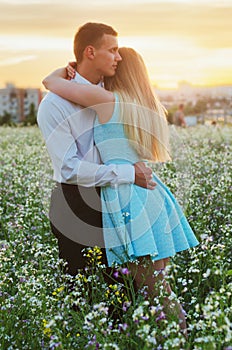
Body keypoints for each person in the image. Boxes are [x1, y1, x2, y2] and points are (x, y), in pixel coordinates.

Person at [43, 46, 199, 335]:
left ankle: (183, 338)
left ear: (123, 71)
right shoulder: (147, 106)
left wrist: (65, 70)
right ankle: (169, 336)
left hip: (128, 194)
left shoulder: (109, 100)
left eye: (117, 60)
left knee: (157, 289)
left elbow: (51, 85)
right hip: (148, 193)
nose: (112, 62)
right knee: (154, 285)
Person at [37, 23, 155, 278]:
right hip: (76, 203)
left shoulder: (115, 94)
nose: (118, 57)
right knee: (83, 293)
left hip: (119, 197)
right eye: (112, 50)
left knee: (127, 291)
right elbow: (69, 169)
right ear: (90, 52)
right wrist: (128, 173)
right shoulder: (54, 104)